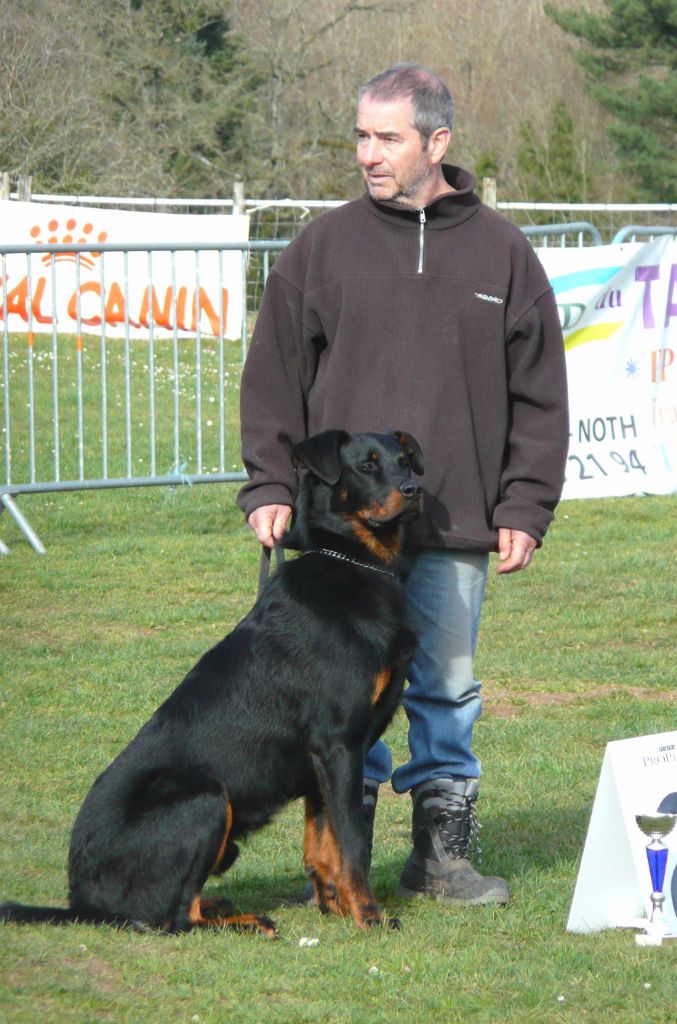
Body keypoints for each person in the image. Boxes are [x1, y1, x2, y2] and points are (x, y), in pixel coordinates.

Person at [238, 63, 569, 905]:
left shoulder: (503, 250)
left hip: (455, 525)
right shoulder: (321, 246)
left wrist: (525, 504)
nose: (368, 154)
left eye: (387, 138)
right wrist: (270, 484)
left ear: (438, 142)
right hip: (341, 540)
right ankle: (347, 857)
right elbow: (274, 375)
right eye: (361, 136)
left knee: (448, 688)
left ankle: (441, 856)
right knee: (340, 697)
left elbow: (540, 395)